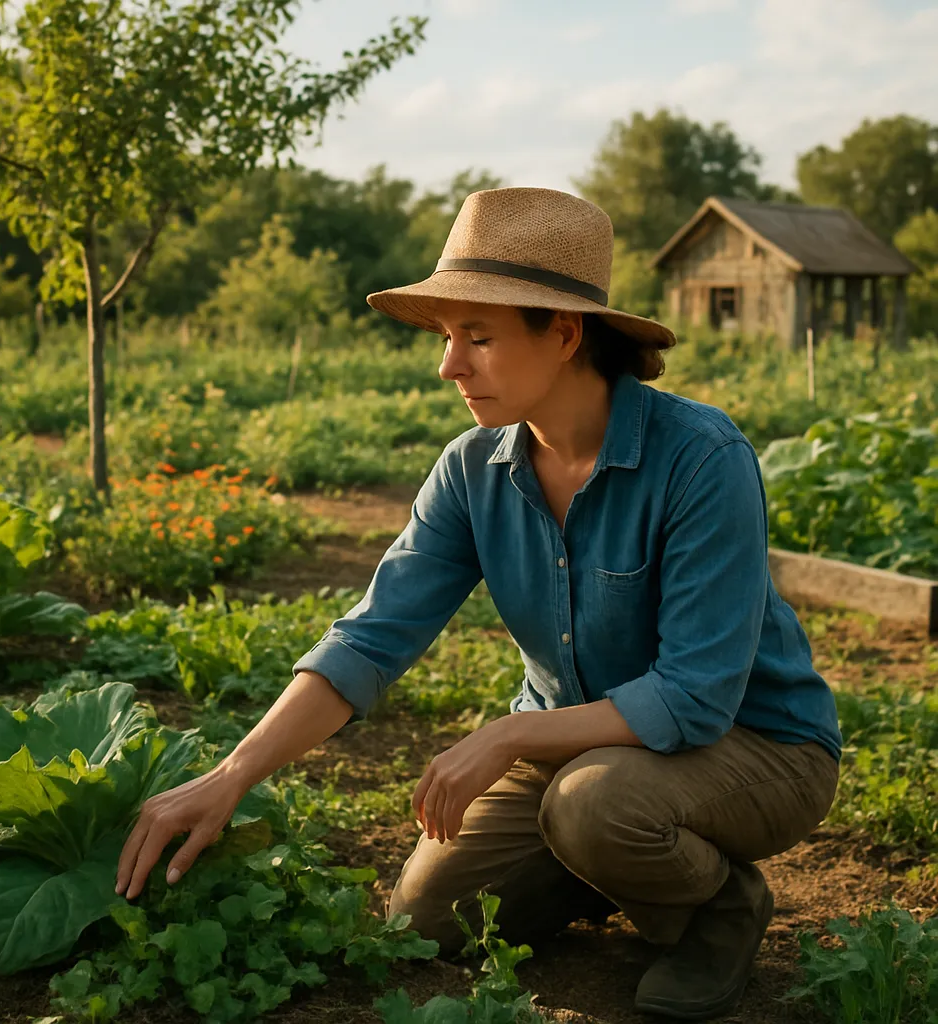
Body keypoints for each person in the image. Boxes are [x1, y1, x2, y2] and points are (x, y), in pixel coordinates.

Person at [116, 187, 842, 1021]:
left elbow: (696, 695)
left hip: (755, 746)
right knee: (423, 922)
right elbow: (371, 639)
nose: (448, 365)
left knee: (596, 808)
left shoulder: (699, 458)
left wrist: (508, 732)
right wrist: (231, 775)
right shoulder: (473, 470)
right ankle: (604, 867)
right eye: (448, 336)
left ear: (565, 333)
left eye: (480, 337)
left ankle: (718, 907)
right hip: (581, 750)